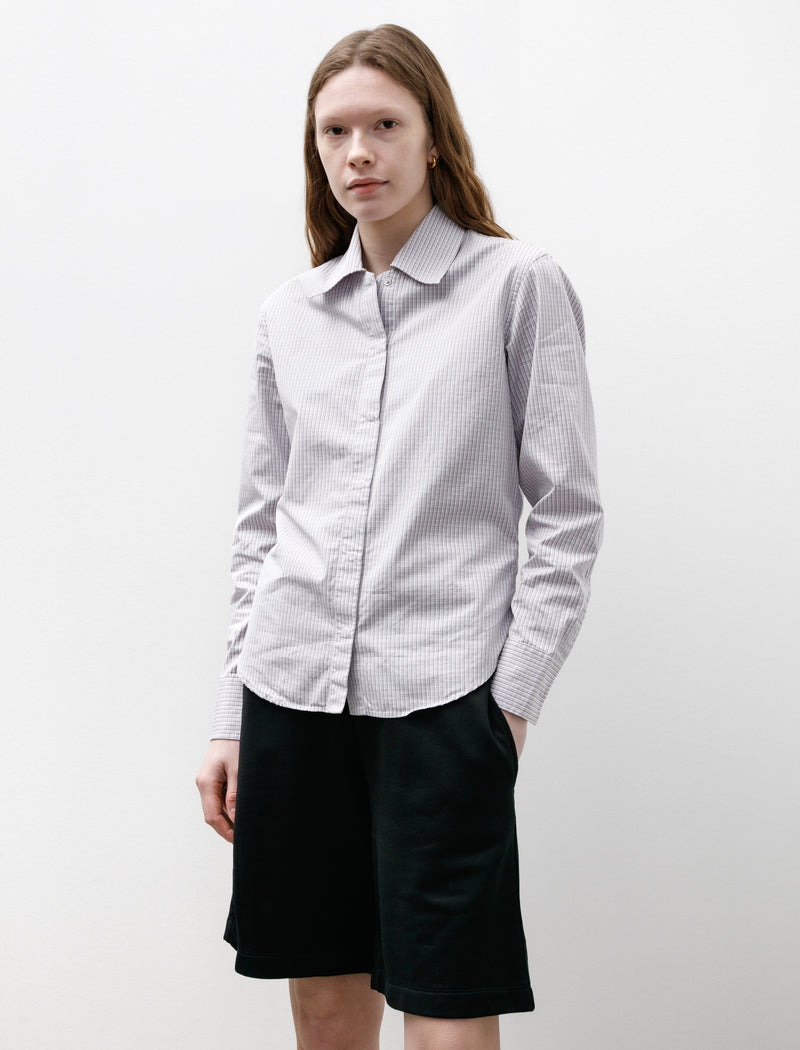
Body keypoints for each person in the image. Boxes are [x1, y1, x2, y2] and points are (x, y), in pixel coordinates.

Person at [196, 22, 603, 1050]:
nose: (358, 154)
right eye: (334, 131)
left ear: (433, 136)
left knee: (448, 1001)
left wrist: (509, 705)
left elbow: (566, 514)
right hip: (291, 693)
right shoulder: (289, 315)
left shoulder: (517, 285)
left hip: (443, 695)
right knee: (324, 998)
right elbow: (259, 528)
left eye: (384, 125)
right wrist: (231, 716)